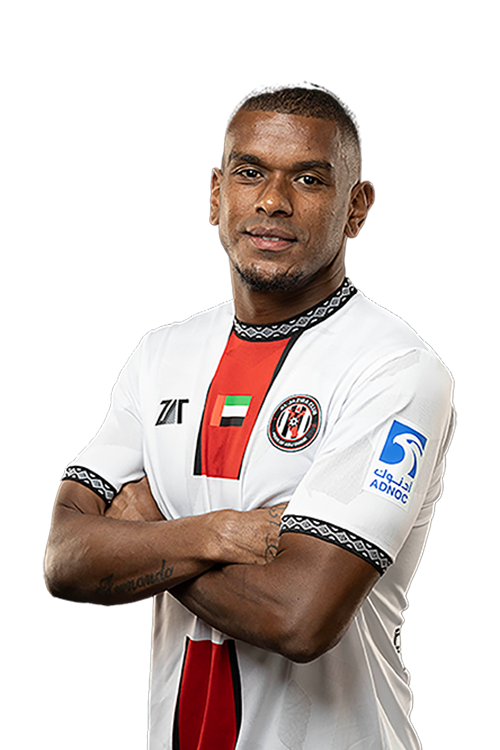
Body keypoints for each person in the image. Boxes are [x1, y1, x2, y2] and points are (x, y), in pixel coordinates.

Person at [43, 81, 456, 749]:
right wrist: (214, 534)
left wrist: (147, 529)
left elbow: (300, 617)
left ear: (357, 207)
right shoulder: (161, 354)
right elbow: (66, 559)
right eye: (250, 172)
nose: (272, 201)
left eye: (309, 179)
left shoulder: (395, 369)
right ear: (216, 194)